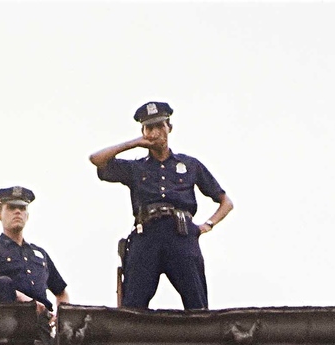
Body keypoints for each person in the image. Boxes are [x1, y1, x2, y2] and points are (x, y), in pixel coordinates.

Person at [89, 101, 233, 310]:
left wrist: (207, 225)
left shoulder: (189, 164)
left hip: (182, 235)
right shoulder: (135, 168)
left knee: (197, 305)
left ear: (169, 127)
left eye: (159, 126)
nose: (155, 132)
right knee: (132, 307)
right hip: (146, 235)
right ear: (143, 131)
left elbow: (225, 202)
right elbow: (96, 159)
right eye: (149, 127)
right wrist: (136, 143)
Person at [0, 186, 69, 316]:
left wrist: (61, 319)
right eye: (11, 208)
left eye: (22, 208)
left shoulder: (40, 253)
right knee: (3, 282)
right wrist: (28, 302)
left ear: (27, 215)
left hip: (40, 323)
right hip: (8, 319)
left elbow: (61, 292)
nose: (17, 212)